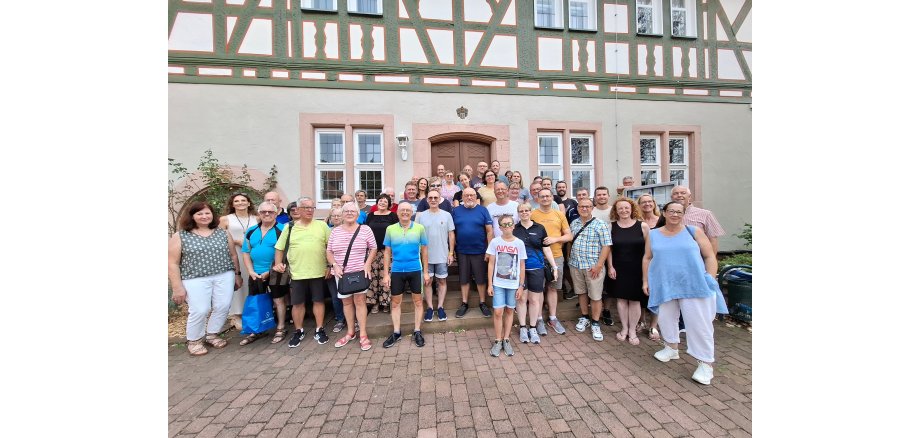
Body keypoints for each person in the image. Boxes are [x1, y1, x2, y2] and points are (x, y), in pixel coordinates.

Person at [643, 201, 728, 385]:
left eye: (679, 212)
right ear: (664, 213)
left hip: (693, 285)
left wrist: (710, 278)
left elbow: (709, 256)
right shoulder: (654, 234)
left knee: (698, 324)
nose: (675, 214)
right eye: (671, 211)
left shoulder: (694, 231)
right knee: (665, 318)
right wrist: (645, 280)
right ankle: (671, 347)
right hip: (665, 284)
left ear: (683, 214)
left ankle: (706, 364)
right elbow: (647, 257)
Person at [168, 201, 243, 356]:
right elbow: (172, 262)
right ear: (192, 216)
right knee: (200, 309)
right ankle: (194, 340)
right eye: (199, 213)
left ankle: (212, 334)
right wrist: (177, 287)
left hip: (224, 275)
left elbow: (233, 255)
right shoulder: (181, 235)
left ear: (212, 215)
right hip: (195, 278)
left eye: (207, 213)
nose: (204, 216)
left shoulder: (222, 232)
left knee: (223, 306)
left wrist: (237, 274)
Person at [273, 196, 332, 348]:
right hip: (297, 272)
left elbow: (331, 247)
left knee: (318, 300)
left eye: (311, 207)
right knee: (297, 303)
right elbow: (279, 247)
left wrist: (329, 266)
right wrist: (278, 263)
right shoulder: (290, 227)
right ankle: (299, 331)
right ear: (297, 210)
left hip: (318, 271)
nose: (309, 210)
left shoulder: (322, 226)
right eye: (305, 207)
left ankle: (319, 328)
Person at [326, 202, 377, 351]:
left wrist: (367, 264)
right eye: (346, 211)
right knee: (346, 303)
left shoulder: (365, 229)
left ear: (357, 214)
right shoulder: (335, 232)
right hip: (341, 274)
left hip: (359, 272)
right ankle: (350, 332)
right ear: (342, 214)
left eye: (352, 211)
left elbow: (373, 247)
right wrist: (334, 265)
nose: (349, 213)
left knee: (360, 301)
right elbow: (329, 251)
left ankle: (363, 334)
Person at [381, 202, 430, 348]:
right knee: (395, 303)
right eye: (402, 210)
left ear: (411, 212)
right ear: (397, 212)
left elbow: (425, 250)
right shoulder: (390, 229)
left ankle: (417, 331)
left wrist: (426, 272)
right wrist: (385, 274)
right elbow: (387, 252)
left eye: (408, 210)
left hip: (415, 269)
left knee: (418, 301)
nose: (405, 212)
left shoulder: (419, 228)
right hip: (396, 270)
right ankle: (396, 332)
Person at [239, 201, 288, 346]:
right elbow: (246, 252)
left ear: (276, 213)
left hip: (277, 271)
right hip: (256, 272)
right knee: (256, 299)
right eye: (263, 212)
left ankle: (280, 327)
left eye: (270, 212)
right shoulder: (251, 231)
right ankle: (257, 329)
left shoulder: (282, 230)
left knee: (278, 300)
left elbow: (285, 254)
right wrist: (250, 271)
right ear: (259, 213)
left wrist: (270, 271)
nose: (267, 214)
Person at [607, 197, 650, 346]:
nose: (624, 211)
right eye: (620, 208)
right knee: (621, 300)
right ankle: (624, 328)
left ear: (632, 209)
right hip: (619, 268)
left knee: (635, 300)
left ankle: (632, 330)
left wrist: (647, 270)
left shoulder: (643, 226)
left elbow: (648, 251)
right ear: (616, 211)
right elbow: (609, 249)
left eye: (626, 208)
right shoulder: (612, 227)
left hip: (638, 268)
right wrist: (610, 266)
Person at [569, 198, 612, 341]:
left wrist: (599, 265)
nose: (584, 209)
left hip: (593, 266)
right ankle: (584, 316)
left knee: (595, 296)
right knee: (581, 292)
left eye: (587, 206)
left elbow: (606, 246)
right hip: (576, 264)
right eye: (582, 206)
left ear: (592, 208)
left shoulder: (601, 224)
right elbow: (570, 242)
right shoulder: (574, 223)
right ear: (578, 208)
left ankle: (595, 322)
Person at [513, 203, 556, 345]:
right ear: (518, 213)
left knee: (534, 300)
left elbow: (547, 249)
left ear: (531, 212)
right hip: (520, 270)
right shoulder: (514, 229)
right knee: (521, 299)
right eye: (521, 211)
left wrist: (554, 266)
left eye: (527, 210)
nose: (524, 213)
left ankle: (532, 327)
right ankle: (523, 328)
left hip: (537, 268)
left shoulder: (540, 228)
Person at [531, 188, 572, 335]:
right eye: (542, 196)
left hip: (556, 255)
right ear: (538, 198)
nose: (545, 198)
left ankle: (553, 318)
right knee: (539, 288)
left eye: (548, 196)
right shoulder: (532, 214)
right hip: (538, 257)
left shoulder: (559, 214)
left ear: (552, 198)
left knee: (553, 287)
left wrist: (556, 239)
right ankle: (539, 318)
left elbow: (569, 236)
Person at [486, 214, 527, 357]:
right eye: (504, 224)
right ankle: (498, 340)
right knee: (498, 312)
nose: (508, 227)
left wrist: (521, 286)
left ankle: (506, 339)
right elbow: (491, 263)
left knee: (510, 311)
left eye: (510, 224)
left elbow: (522, 266)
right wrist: (490, 284)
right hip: (498, 282)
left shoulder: (519, 243)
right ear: (500, 227)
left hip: (513, 284)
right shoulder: (495, 242)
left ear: (514, 225)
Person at [218, 192, 259, 330]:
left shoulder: (256, 218)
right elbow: (219, 237)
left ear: (248, 203)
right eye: (237, 201)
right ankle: (236, 314)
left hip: (253, 254)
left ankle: (252, 310)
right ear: (232, 204)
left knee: (252, 281)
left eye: (243, 200)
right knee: (238, 282)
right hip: (235, 253)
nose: (240, 203)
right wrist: (236, 241)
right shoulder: (225, 219)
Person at [452, 188, 494, 318]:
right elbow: (451, 232)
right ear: (462, 197)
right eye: (466, 195)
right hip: (462, 250)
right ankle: (464, 303)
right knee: (464, 278)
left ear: (476, 197)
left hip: (480, 250)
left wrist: (489, 250)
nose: (469, 197)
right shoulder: (456, 211)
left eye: (472, 195)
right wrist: (452, 250)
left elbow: (489, 231)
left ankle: (482, 303)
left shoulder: (483, 210)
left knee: (481, 278)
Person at [415, 190, 456, 322]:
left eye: (435, 198)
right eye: (430, 198)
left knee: (442, 281)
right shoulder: (421, 216)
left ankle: (440, 307)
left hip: (442, 254)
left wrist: (451, 253)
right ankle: (430, 308)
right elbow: (417, 237)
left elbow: (451, 235)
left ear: (440, 199)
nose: (433, 200)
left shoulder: (447, 215)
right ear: (427, 200)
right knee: (427, 282)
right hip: (426, 256)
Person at [365, 194, 398, 314]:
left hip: (387, 251)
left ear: (389, 204)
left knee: (385, 276)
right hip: (372, 251)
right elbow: (365, 231)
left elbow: (396, 231)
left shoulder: (393, 216)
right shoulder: (371, 215)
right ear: (377, 203)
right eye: (380, 201)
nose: (382, 203)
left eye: (385, 201)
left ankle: (385, 302)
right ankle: (373, 303)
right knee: (373, 277)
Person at [671, 186, 725, 254]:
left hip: (698, 258)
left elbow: (712, 240)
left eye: (683, 193)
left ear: (689, 197)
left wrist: (711, 260)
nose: (679, 195)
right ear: (671, 197)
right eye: (675, 193)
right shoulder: (666, 216)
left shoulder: (705, 214)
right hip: (674, 256)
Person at [590, 187, 615, 326]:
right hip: (595, 251)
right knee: (597, 282)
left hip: (614, 248)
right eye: (598, 195)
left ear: (608, 195)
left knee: (609, 284)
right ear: (595, 197)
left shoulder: (614, 210)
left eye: (604, 194)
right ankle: (595, 310)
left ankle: (607, 310)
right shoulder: (592, 211)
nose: (601, 197)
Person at [324, 207, 347, 333]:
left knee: (350, 295)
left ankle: (352, 319)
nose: (336, 218)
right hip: (331, 268)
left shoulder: (349, 229)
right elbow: (325, 251)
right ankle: (340, 319)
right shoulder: (327, 231)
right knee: (335, 296)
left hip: (347, 268)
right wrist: (329, 266)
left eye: (339, 215)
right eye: (334, 216)